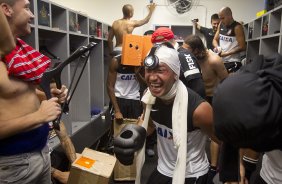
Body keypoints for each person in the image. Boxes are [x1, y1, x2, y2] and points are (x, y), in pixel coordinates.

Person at [0, 0, 68, 183]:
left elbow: (18, 95)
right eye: (27, 8)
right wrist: (39, 116)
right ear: (6, 9)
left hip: (41, 151)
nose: (33, 15)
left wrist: (48, 95)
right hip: (12, 165)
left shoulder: (20, 54)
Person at [141, 43, 218, 183]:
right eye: (148, 70)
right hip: (162, 169)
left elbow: (223, 140)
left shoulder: (200, 110)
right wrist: (134, 134)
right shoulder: (148, 97)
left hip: (192, 174)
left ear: (175, 74)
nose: (152, 77)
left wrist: (226, 172)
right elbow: (150, 126)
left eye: (160, 70)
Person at [184, 35, 228, 184]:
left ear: (197, 50)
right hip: (196, 98)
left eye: (188, 50)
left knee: (215, 133)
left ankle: (213, 167)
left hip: (213, 98)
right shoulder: (189, 60)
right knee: (196, 132)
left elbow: (227, 82)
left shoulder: (214, 60)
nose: (185, 53)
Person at [151, 27, 206, 98]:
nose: (156, 49)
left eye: (157, 45)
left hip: (187, 102)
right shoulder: (167, 57)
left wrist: (194, 106)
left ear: (165, 42)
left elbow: (198, 86)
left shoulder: (183, 55)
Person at [212, 7, 246, 73]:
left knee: (229, 82)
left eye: (223, 18)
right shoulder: (221, 25)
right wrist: (217, 47)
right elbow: (214, 40)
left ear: (230, 16)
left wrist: (226, 54)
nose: (221, 21)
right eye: (220, 18)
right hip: (222, 62)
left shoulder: (237, 27)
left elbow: (242, 47)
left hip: (233, 61)